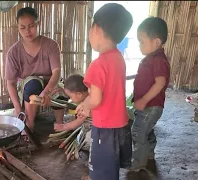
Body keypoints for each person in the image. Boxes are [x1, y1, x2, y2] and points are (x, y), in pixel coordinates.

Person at [75, 3, 133, 180]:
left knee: (102, 167)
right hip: (122, 126)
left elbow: (96, 99)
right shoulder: (118, 58)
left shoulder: (98, 65)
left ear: (97, 28)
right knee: (111, 165)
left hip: (105, 129)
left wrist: (84, 104)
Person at [4, 7, 68, 134]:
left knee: (60, 91)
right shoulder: (13, 52)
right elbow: (10, 82)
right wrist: (18, 109)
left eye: (31, 26)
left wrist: (47, 91)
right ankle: (29, 126)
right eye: (22, 27)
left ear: (38, 24)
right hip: (28, 86)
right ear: (18, 28)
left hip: (50, 82)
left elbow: (56, 72)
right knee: (32, 83)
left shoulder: (51, 45)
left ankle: (60, 124)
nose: (27, 31)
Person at [129, 17, 170, 171]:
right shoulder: (151, 59)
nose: (140, 46)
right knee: (147, 130)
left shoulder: (158, 60)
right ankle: (149, 154)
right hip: (149, 105)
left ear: (157, 42)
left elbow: (160, 82)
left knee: (138, 131)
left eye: (142, 42)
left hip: (151, 105)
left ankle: (138, 162)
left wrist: (144, 100)